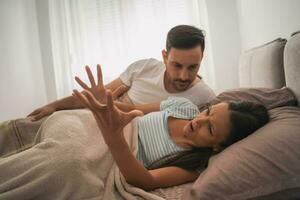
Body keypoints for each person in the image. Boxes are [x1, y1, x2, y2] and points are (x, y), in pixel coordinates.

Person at [0, 65, 269, 199]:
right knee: (60, 127)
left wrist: (114, 137)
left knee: (65, 165)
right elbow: (130, 110)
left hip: (117, 150)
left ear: (218, 147)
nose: (200, 121)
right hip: (109, 127)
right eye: (208, 112)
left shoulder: (193, 164)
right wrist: (101, 102)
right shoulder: (185, 106)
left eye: (210, 128)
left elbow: (144, 180)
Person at [28, 25, 215, 121]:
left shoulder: (205, 97)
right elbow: (100, 95)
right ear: (165, 57)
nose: (184, 76)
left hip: (124, 130)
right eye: (177, 65)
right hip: (101, 115)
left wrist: (106, 104)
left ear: (201, 59)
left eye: (193, 67)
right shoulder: (144, 68)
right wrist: (53, 106)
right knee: (47, 121)